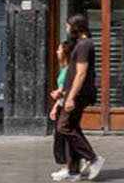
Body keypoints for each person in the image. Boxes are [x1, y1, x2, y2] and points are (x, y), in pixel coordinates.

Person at [49, 16, 98, 183]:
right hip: (73, 94)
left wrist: (70, 98)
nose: (67, 29)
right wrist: (62, 93)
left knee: (64, 127)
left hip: (78, 95)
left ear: (76, 27)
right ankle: (73, 170)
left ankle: (92, 158)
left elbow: (81, 73)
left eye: (68, 26)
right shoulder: (81, 45)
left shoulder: (85, 45)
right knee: (71, 128)